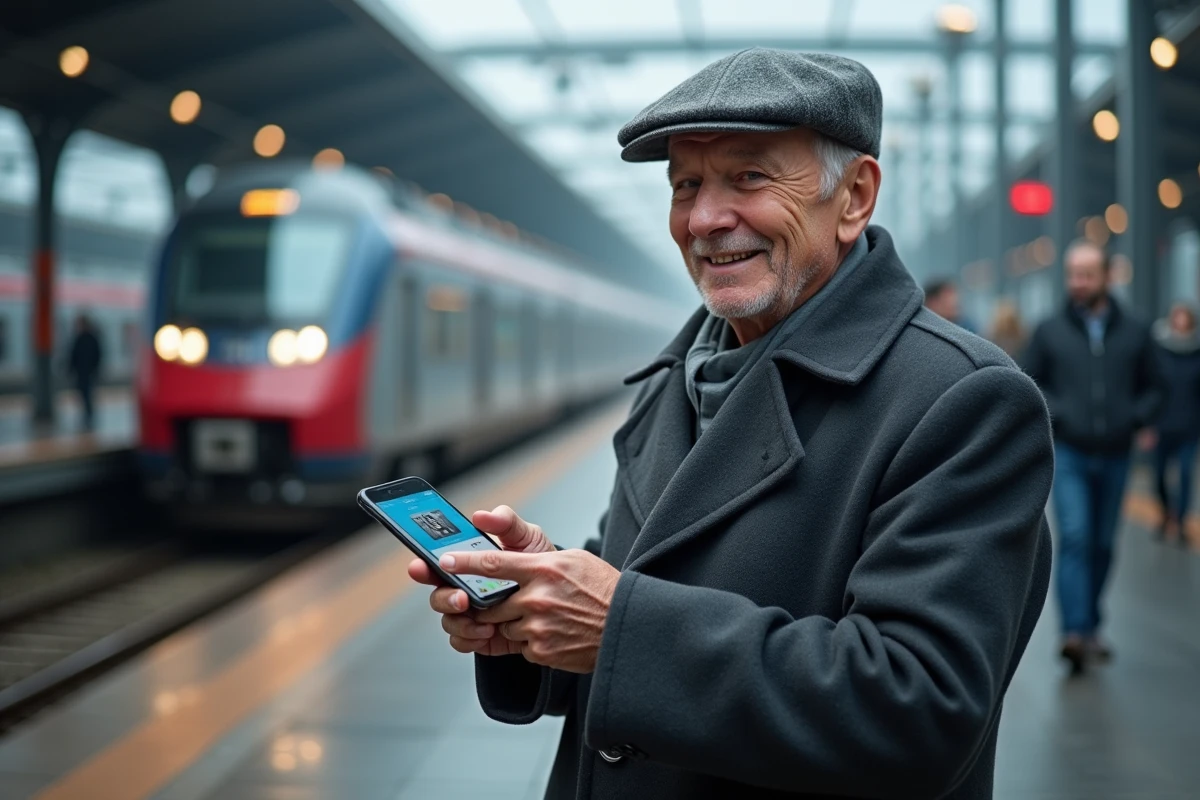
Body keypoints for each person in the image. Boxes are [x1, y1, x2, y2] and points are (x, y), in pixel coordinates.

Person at [410, 48, 1053, 800]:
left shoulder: (962, 402)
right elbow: (640, 590)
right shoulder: (678, 379)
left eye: (748, 177)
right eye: (686, 184)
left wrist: (621, 630)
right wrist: (537, 603)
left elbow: (918, 709)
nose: (706, 219)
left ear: (853, 197)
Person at [1020, 239, 1164, 675]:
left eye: (1086, 274)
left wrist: (1134, 418)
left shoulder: (1136, 331)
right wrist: (1059, 414)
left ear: (1106, 276)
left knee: (1103, 543)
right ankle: (1075, 633)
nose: (1078, 283)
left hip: (1117, 453)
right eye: (1072, 275)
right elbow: (1029, 381)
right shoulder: (1049, 331)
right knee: (1078, 537)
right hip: (1071, 452)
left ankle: (1091, 624)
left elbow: (1155, 387)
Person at [1149, 301, 1200, 545]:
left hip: (1190, 425)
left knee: (1185, 473)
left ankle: (1180, 522)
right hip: (1163, 425)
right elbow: (1151, 387)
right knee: (1158, 475)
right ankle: (1165, 512)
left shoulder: (1197, 351)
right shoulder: (1159, 349)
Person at [67, 312, 103, 430]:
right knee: (84, 395)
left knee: (86, 395)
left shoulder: (84, 338)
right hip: (84, 372)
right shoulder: (87, 338)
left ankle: (88, 417)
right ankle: (87, 417)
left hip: (87, 373)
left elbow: (74, 355)